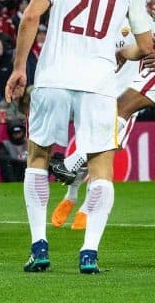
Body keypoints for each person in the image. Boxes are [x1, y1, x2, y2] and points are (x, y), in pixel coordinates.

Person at [4, 0, 153, 274]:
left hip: (54, 76)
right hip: (98, 84)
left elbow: (30, 17)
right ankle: (89, 253)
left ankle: (39, 246)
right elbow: (147, 45)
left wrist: (20, 67)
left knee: (37, 158)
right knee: (102, 167)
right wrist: (123, 52)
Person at [50, 24, 155, 230]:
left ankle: (87, 208)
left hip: (128, 92)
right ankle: (71, 195)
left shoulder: (142, 22)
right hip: (95, 94)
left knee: (102, 153)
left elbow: (142, 48)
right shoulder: (99, 22)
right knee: (92, 148)